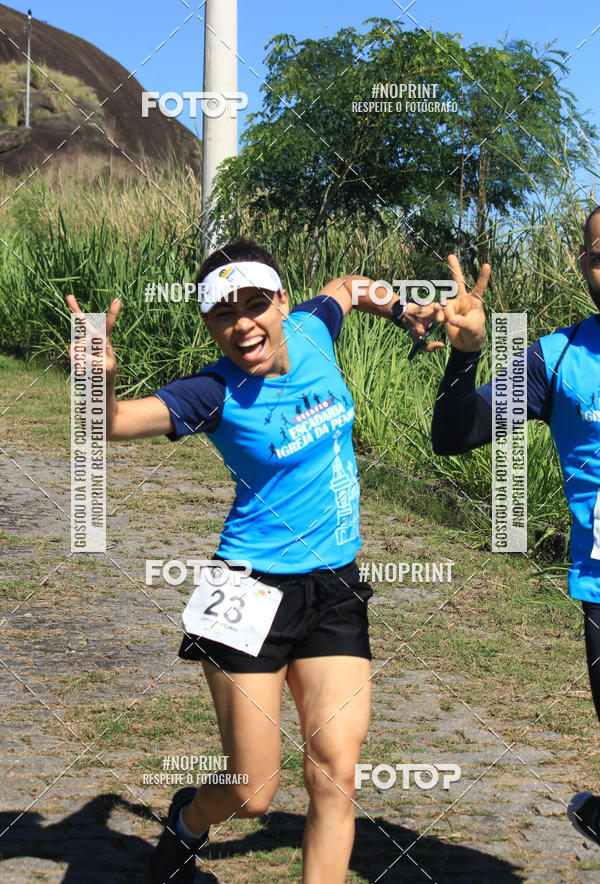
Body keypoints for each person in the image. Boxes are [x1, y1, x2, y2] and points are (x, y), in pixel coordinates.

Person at [66, 237, 445, 884]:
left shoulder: (312, 330)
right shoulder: (212, 392)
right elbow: (110, 425)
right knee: (253, 790)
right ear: (210, 324)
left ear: (282, 302)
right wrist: (96, 375)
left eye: (255, 303)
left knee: (336, 772)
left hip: (333, 586)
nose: (243, 322)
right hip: (244, 590)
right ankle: (188, 821)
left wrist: (404, 305)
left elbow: (348, 285)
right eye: (223, 312)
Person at [430, 207, 600, 848]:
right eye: (599, 253)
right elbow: (455, 434)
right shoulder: (555, 358)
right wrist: (464, 356)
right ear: (584, 267)